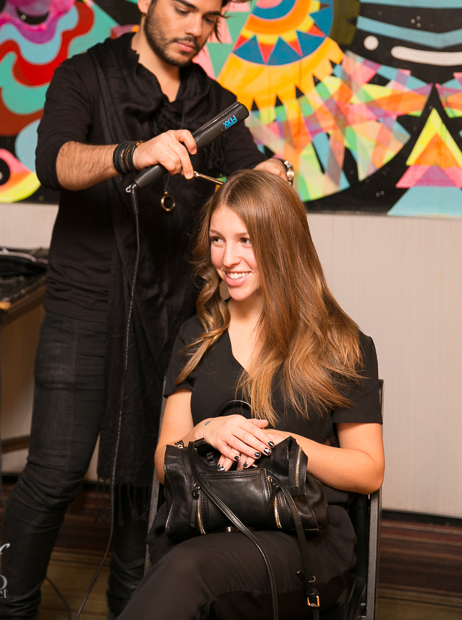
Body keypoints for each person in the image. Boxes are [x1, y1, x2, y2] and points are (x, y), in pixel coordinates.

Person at [0, 0, 289, 619]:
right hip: (85, 307)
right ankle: (11, 609)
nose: (196, 30)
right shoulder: (84, 76)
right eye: (183, 10)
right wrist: (136, 152)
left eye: (209, 18)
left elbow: (247, 184)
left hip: (175, 318)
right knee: (54, 475)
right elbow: (55, 163)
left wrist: (270, 178)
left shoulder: (217, 103)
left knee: (146, 484)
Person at [119, 169, 384, 620]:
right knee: (187, 566)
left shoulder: (342, 344)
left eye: (246, 240)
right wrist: (204, 430)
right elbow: (165, 461)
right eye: (217, 240)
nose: (228, 258)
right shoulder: (196, 335)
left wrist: (281, 441)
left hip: (300, 538)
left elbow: (368, 471)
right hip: (203, 522)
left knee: (187, 570)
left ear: (282, 243)